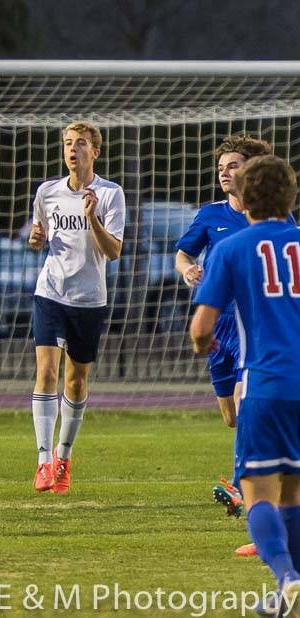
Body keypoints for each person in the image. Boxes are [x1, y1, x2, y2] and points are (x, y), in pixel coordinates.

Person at [190, 155, 300, 616]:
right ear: (290, 198)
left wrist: (204, 344)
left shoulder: (231, 249)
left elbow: (201, 331)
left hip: (266, 384)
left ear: (246, 199)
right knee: (294, 491)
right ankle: (289, 593)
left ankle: (286, 576)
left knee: (257, 488)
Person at [175, 134, 273, 557]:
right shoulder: (210, 216)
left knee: (247, 400)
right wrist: (187, 270)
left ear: (250, 171)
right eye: (221, 167)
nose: (224, 172)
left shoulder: (270, 219)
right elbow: (182, 253)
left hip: (251, 328)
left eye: (232, 165)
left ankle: (242, 486)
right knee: (232, 417)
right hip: (216, 330)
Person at [27, 121, 125, 495]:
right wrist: (36, 239)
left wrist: (92, 218)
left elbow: (114, 251)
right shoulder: (47, 191)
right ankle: (43, 461)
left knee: (76, 379)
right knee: (47, 372)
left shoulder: (110, 194)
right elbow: (41, 238)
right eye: (68, 143)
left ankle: (64, 454)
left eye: (80, 143)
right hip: (50, 292)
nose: (73, 149)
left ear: (94, 152)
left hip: (89, 299)